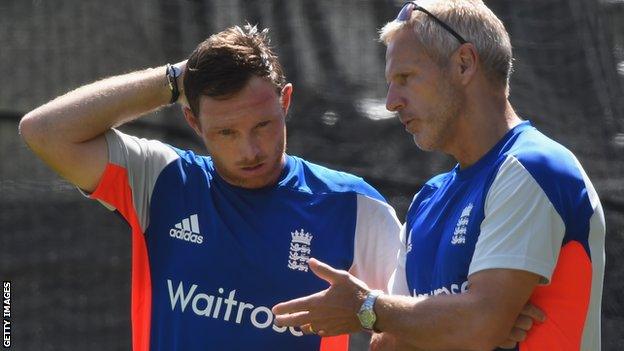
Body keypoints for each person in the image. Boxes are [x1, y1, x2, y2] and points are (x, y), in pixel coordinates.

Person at [18, 25, 403, 350]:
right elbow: (45, 132)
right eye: (226, 132)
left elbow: (418, 324)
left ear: (285, 101)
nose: (249, 150)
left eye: (263, 126)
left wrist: (368, 310)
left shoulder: (354, 207)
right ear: (193, 121)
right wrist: (174, 79)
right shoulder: (160, 178)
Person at [272, 1, 606, 350]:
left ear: (464, 64)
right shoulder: (427, 200)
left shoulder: (533, 167)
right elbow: (386, 344)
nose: (391, 102)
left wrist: (366, 307)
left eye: (405, 78)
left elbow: (480, 323)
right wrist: (452, 324)